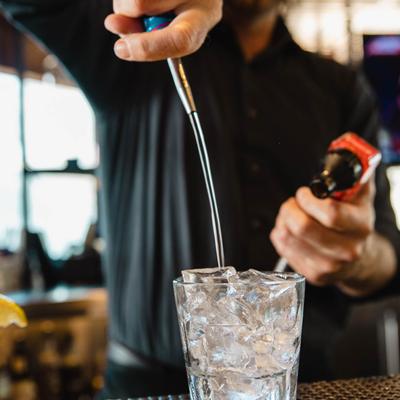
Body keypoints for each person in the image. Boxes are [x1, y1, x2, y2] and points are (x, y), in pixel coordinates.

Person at [1, 0, 399, 397]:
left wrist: (356, 256)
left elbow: (387, 259)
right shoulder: (140, 40)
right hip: (144, 385)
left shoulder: (341, 88)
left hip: (301, 383)